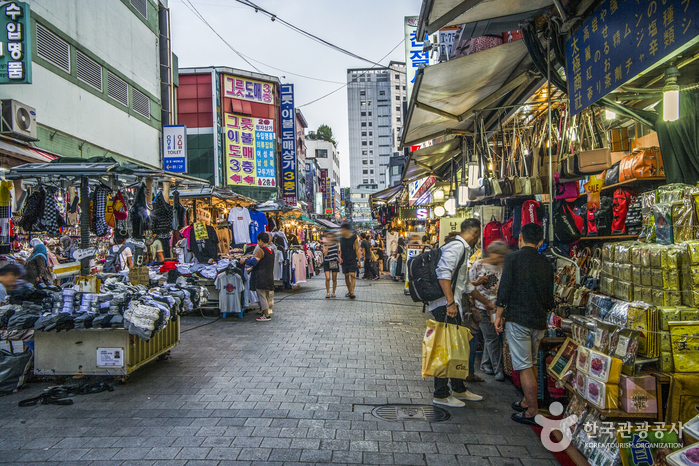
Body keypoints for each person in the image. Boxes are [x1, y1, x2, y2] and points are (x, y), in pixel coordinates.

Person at [429, 218, 496, 408]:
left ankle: (459, 388)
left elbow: (465, 285)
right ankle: (441, 394)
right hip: (446, 306)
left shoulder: (463, 249)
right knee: (445, 351)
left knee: (457, 350)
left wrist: (486, 303)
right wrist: (450, 302)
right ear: (474, 233)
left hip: (453, 305)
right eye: (480, 235)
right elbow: (443, 273)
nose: (480, 239)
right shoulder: (457, 247)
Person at [494, 223, 554, 425]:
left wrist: (498, 314)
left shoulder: (513, 258)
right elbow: (549, 295)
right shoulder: (545, 261)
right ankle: (526, 402)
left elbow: (505, 289)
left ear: (520, 238)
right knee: (532, 362)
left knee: (525, 366)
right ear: (540, 242)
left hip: (518, 319)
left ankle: (532, 411)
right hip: (539, 320)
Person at [469, 241, 510, 382]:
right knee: (492, 338)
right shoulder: (478, 265)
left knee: (491, 337)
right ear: (492, 253)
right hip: (482, 307)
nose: (500, 259)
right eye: (499, 256)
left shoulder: (503, 268)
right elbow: (468, 285)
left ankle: (486, 364)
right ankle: (498, 369)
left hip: (497, 307)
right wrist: (475, 304)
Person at [241, 232, 276, 322]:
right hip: (269, 275)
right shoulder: (271, 250)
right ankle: (267, 312)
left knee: (262, 296)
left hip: (261, 276)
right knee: (267, 295)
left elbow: (254, 262)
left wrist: (245, 260)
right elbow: (263, 263)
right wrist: (251, 269)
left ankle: (266, 315)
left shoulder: (261, 250)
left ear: (260, 240)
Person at [338, 223, 359, 299]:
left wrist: (359, 260)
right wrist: (339, 257)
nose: (342, 231)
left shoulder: (354, 238)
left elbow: (357, 249)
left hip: (352, 258)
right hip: (344, 259)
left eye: (343, 230)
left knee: (352, 275)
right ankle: (349, 291)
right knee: (346, 276)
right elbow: (340, 250)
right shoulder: (341, 239)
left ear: (347, 230)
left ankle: (352, 292)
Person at [322, 232, 339, 298]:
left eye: (330, 237)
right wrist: (327, 246)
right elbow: (325, 254)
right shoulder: (325, 244)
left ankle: (333, 292)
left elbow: (337, 253)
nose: (329, 238)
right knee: (328, 278)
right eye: (328, 237)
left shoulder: (335, 245)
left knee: (334, 278)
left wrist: (339, 258)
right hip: (327, 262)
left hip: (334, 261)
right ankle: (328, 292)